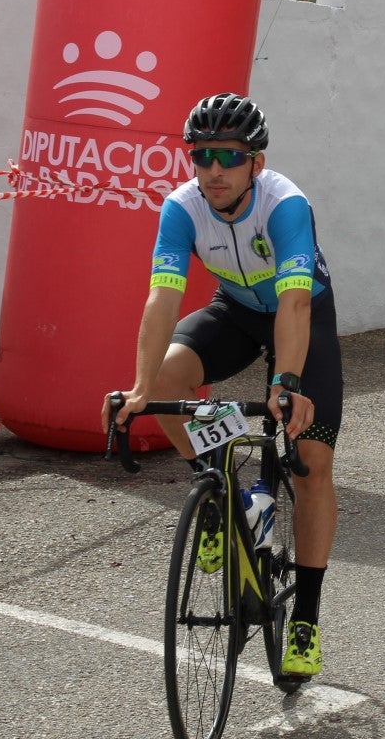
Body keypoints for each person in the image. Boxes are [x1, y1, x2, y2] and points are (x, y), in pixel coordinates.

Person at [110, 92, 342, 679]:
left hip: (301, 313)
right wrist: (140, 388)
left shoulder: (286, 205)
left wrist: (286, 382)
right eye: (202, 154)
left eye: (229, 157)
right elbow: (163, 297)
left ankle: (307, 619)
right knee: (167, 373)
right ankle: (216, 490)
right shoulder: (182, 208)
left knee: (310, 459)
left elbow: (292, 305)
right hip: (235, 310)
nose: (214, 168)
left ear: (255, 165)